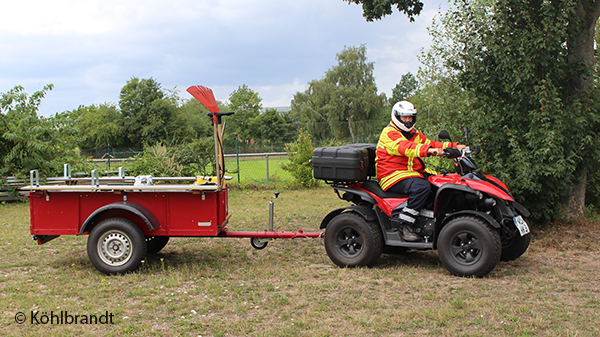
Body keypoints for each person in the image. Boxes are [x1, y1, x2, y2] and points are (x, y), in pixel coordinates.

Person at [376, 101, 465, 242]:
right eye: (405, 117)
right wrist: (430, 151)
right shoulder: (389, 133)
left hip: (411, 173)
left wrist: (455, 146)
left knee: (440, 182)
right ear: (397, 117)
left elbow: (430, 144)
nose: (408, 121)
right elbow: (406, 147)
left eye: (411, 118)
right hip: (392, 175)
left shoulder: (413, 133)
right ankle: (405, 224)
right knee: (421, 187)